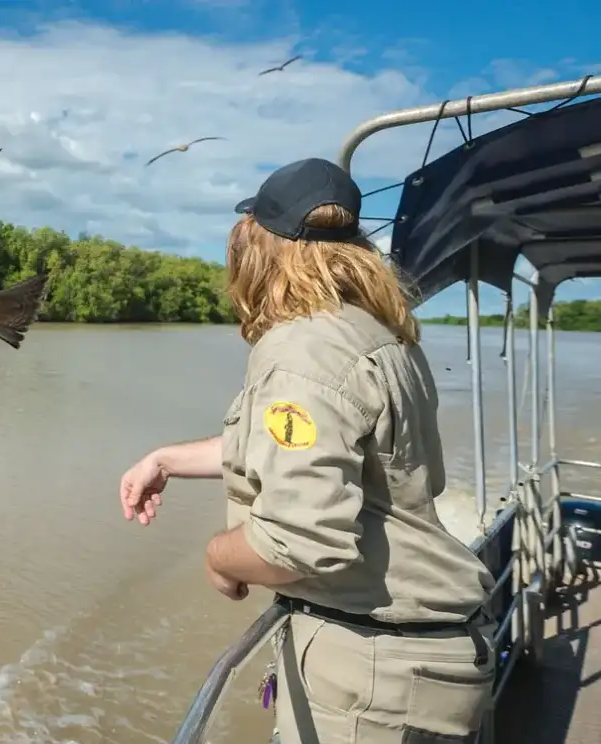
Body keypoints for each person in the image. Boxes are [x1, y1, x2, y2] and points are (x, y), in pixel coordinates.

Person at [119, 158, 497, 744]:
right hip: (423, 661)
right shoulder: (376, 333)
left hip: (375, 678)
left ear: (265, 245)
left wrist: (219, 557)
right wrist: (166, 459)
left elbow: (299, 541)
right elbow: (305, 445)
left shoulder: (303, 352)